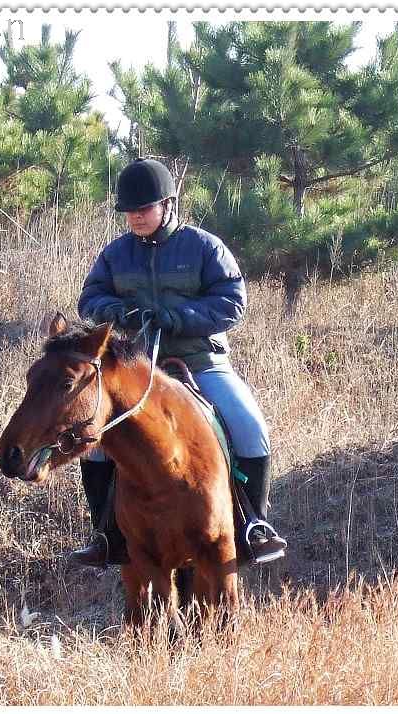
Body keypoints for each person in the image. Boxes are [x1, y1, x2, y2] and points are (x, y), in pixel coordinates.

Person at [70, 157, 288, 567]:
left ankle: (254, 525)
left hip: (199, 360)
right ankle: (105, 534)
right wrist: (118, 312)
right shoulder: (116, 254)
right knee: (94, 445)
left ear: (168, 204)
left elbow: (232, 301)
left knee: (250, 428)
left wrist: (181, 318)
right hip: (136, 369)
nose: (135, 217)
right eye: (129, 211)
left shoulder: (204, 247)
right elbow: (90, 299)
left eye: (143, 208)